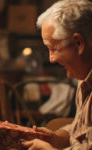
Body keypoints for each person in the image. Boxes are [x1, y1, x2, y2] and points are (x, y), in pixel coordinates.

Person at [22, 0, 92, 149]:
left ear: (78, 43)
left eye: (53, 48)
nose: (51, 59)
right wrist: (55, 138)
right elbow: (82, 131)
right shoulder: (84, 77)